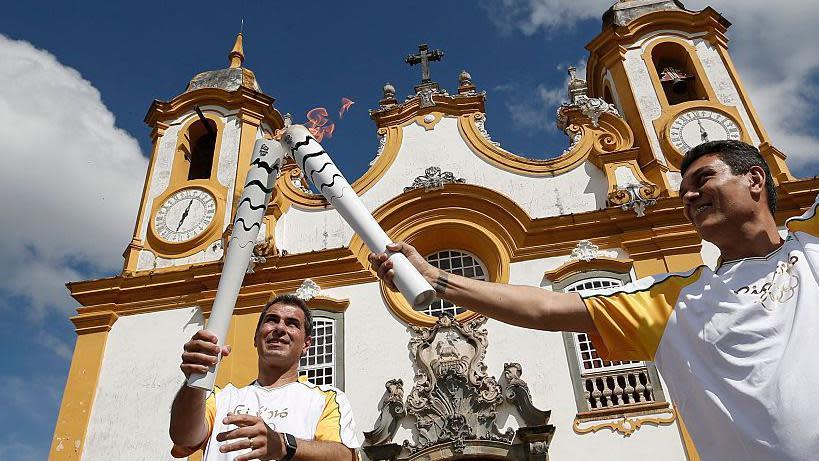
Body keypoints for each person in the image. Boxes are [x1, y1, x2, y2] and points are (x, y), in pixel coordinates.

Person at [369, 140, 818, 461]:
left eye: (703, 179)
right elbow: (546, 308)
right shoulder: (676, 300)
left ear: (755, 178)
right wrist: (434, 277)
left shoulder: (812, 245)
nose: (689, 196)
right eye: (683, 191)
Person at [169, 294, 361, 461]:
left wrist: (284, 445)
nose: (280, 328)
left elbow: (345, 456)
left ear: (306, 345)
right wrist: (195, 378)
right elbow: (184, 437)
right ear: (256, 337)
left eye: (292, 323)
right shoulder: (220, 399)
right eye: (272, 320)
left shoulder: (327, 399)